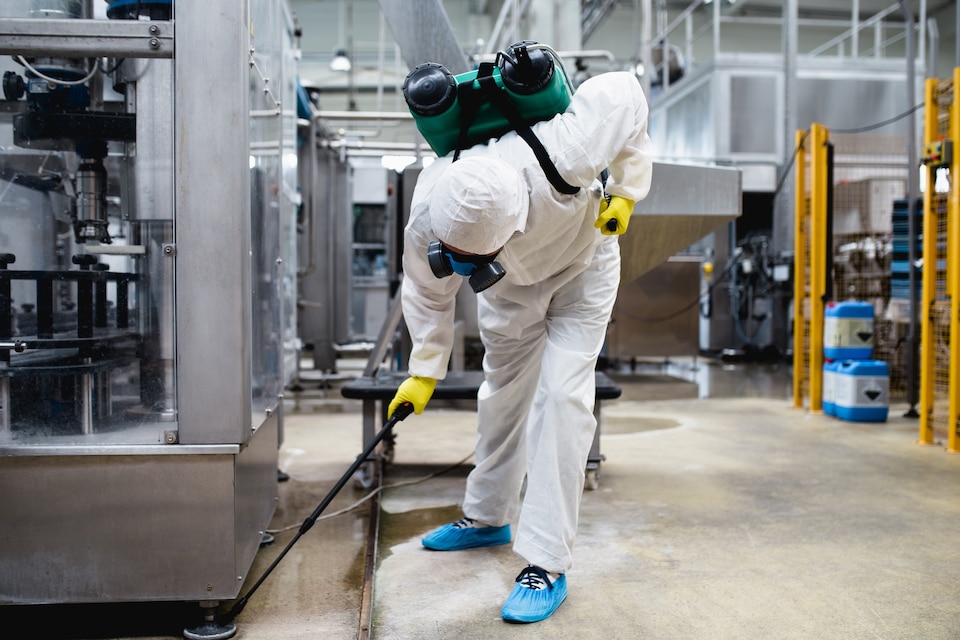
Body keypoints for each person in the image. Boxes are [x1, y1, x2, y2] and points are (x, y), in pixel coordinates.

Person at [387, 68, 653, 623]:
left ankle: (546, 562)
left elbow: (625, 92)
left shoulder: (566, 151)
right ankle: (487, 516)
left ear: (513, 227)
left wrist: (627, 190)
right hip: (509, 290)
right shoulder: (431, 205)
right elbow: (427, 290)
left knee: (562, 398)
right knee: (502, 392)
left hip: (582, 271)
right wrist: (425, 368)